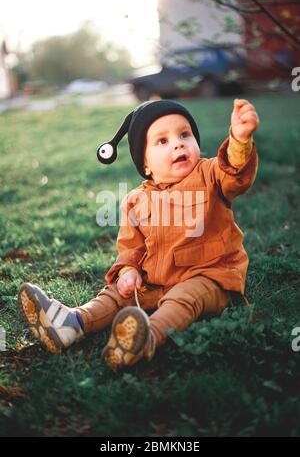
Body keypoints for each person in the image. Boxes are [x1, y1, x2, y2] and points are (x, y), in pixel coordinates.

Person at [19, 98, 259, 371]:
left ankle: (146, 338)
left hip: (209, 276)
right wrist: (127, 272)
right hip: (155, 281)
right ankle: (72, 322)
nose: (178, 144)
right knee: (114, 296)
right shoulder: (136, 200)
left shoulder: (210, 175)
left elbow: (235, 172)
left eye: (184, 134)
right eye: (162, 141)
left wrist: (240, 141)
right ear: (145, 164)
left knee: (183, 299)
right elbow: (130, 248)